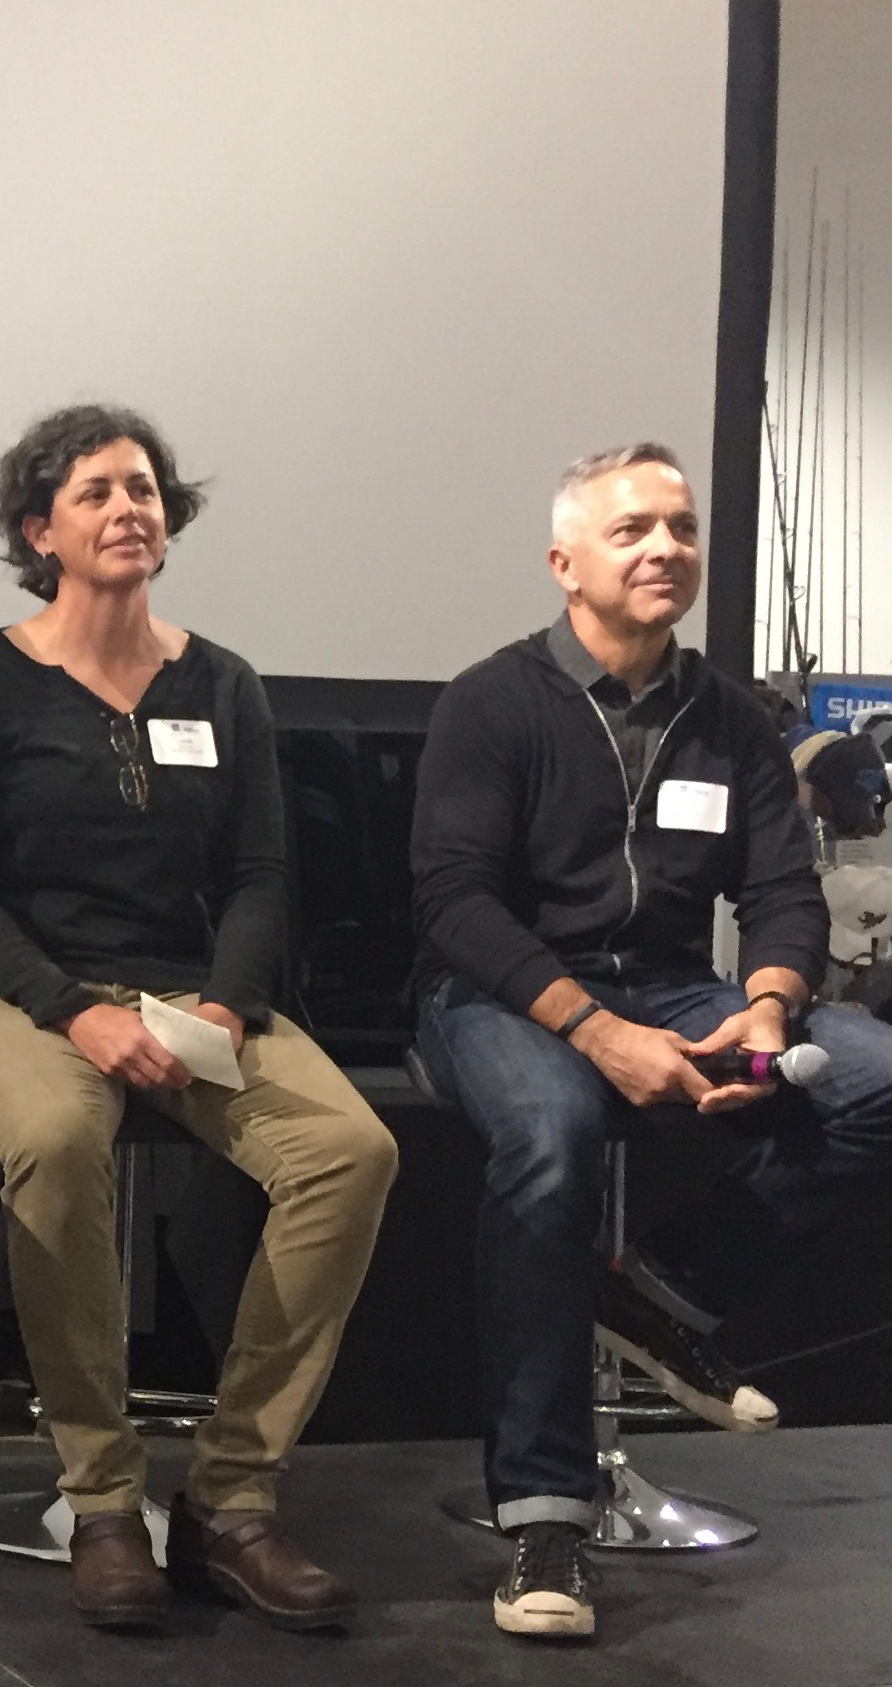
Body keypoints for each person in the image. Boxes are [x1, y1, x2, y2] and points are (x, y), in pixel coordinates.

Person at [0, 404, 396, 1635]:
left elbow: (260, 878)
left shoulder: (219, 682)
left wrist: (224, 1005)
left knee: (351, 1151)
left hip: (193, 993)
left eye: (143, 489)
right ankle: (105, 1501)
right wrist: (71, 1011)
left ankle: (233, 1497)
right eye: (95, 493)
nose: (129, 508)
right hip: (10, 997)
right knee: (59, 1140)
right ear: (40, 531)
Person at [412, 443, 892, 1642]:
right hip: (504, 993)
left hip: (677, 987)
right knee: (552, 1126)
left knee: (872, 1074)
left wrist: (771, 1001)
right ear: (564, 561)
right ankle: (544, 1518)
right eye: (633, 529)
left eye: (680, 527)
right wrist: (594, 1030)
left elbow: (783, 892)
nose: (665, 549)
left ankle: (660, 1293)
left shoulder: (732, 718)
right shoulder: (494, 700)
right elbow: (454, 904)